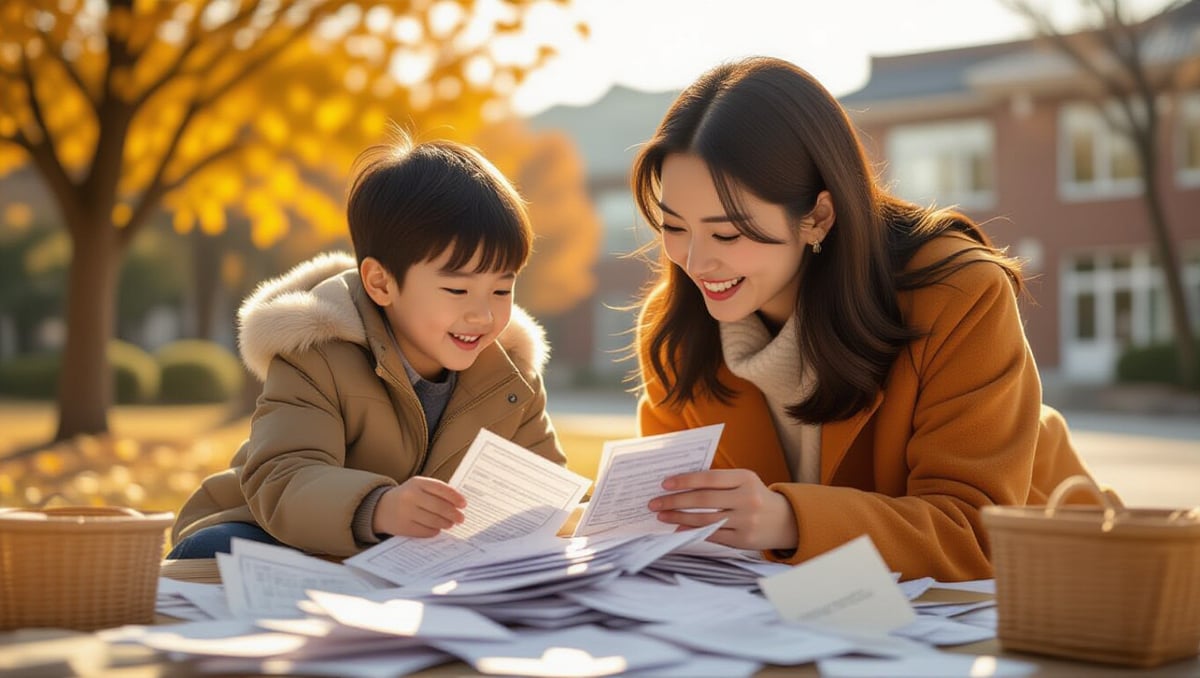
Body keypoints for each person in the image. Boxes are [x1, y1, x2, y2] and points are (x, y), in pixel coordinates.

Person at [631, 56, 1099, 581]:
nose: (695, 263)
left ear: (817, 217)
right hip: (823, 618)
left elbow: (974, 530)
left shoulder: (958, 293)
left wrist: (787, 520)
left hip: (1059, 582)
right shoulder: (675, 330)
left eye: (727, 234)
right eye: (674, 227)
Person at [168, 133, 565, 559]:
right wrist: (377, 507)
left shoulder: (510, 375)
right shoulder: (317, 352)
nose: (483, 316)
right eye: (457, 290)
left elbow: (542, 490)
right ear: (381, 283)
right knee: (218, 549)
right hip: (274, 532)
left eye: (502, 291)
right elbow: (283, 476)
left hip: (415, 561)